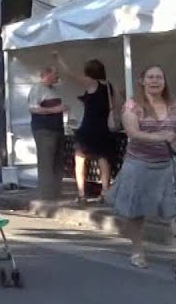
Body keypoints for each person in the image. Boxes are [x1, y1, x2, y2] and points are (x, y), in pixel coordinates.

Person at [108, 65, 176, 268]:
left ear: (164, 81)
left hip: (167, 165)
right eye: (150, 77)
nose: (155, 81)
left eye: (159, 77)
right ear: (142, 81)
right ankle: (137, 250)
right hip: (139, 165)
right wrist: (160, 137)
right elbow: (133, 132)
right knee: (136, 211)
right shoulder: (133, 105)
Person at [54, 53, 119, 203]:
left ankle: (82, 194)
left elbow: (70, 74)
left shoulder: (91, 83)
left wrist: (59, 59)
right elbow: (116, 105)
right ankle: (105, 191)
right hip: (104, 127)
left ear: (89, 72)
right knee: (103, 159)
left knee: (80, 159)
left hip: (89, 126)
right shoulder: (109, 86)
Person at [28, 66, 68, 199]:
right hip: (44, 129)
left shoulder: (54, 89)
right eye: (55, 73)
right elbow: (34, 108)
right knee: (46, 160)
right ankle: (46, 193)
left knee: (58, 160)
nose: (57, 76)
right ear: (46, 74)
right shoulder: (37, 89)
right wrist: (55, 110)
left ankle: (56, 191)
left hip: (57, 128)